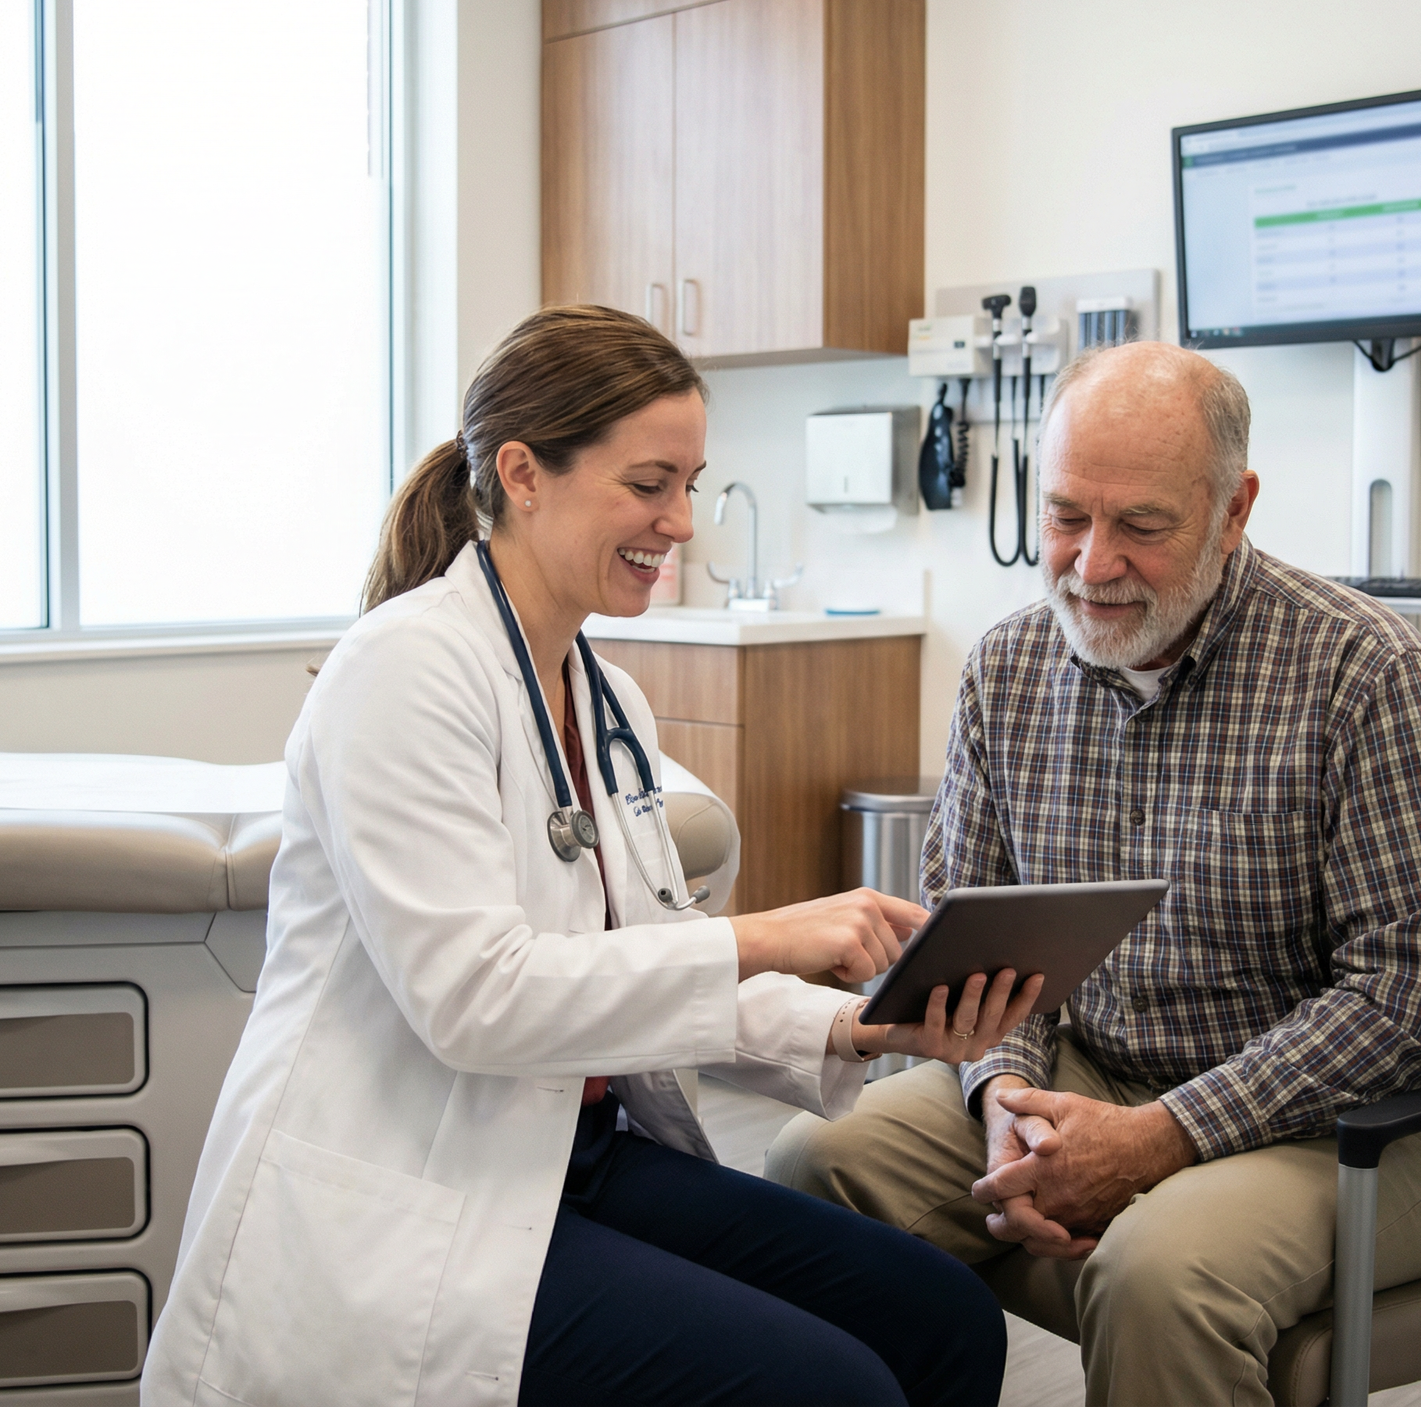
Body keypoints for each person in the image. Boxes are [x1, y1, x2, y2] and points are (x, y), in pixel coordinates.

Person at [143, 306, 1044, 1407]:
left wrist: (862, 1021)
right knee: (832, 1388)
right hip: (414, 1186)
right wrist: (763, 934)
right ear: (523, 473)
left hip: (576, 1155)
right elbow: (477, 1000)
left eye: (690, 485)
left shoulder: (605, 699)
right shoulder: (404, 672)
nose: (681, 523)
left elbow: (645, 962)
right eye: (647, 484)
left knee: (940, 1315)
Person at [766, 341, 1421, 1407]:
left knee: (1160, 1271)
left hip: (1375, 1124)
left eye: (1143, 527)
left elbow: (1418, 1000)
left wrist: (1164, 1137)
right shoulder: (1008, 668)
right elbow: (976, 943)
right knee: (814, 1167)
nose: (1092, 562)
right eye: (1067, 516)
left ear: (1233, 508)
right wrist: (1008, 1097)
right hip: (1092, 1070)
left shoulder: (1368, 678)